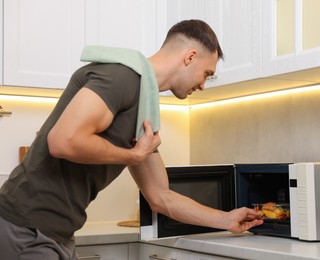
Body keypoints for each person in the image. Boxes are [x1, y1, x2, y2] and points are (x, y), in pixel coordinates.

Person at [0, 19, 263, 259]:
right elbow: (62, 141)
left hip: (55, 233)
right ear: (190, 57)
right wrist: (133, 155)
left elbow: (161, 197)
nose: (204, 85)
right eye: (206, 73)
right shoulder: (122, 77)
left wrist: (226, 219)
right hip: (25, 227)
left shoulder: (145, 105)